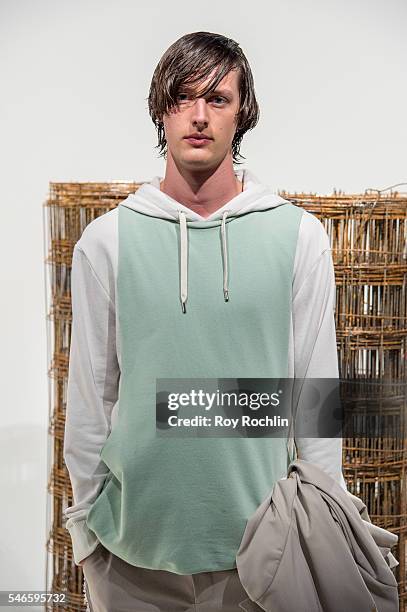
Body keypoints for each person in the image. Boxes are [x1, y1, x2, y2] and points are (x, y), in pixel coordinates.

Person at [63, 31, 348, 612]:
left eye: (217, 99)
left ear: (242, 112)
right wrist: (86, 532)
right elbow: (91, 398)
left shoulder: (298, 237)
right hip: (129, 554)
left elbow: (316, 399)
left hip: (263, 554)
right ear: (160, 112)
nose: (198, 116)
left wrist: (323, 528)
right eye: (183, 97)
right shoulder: (108, 241)